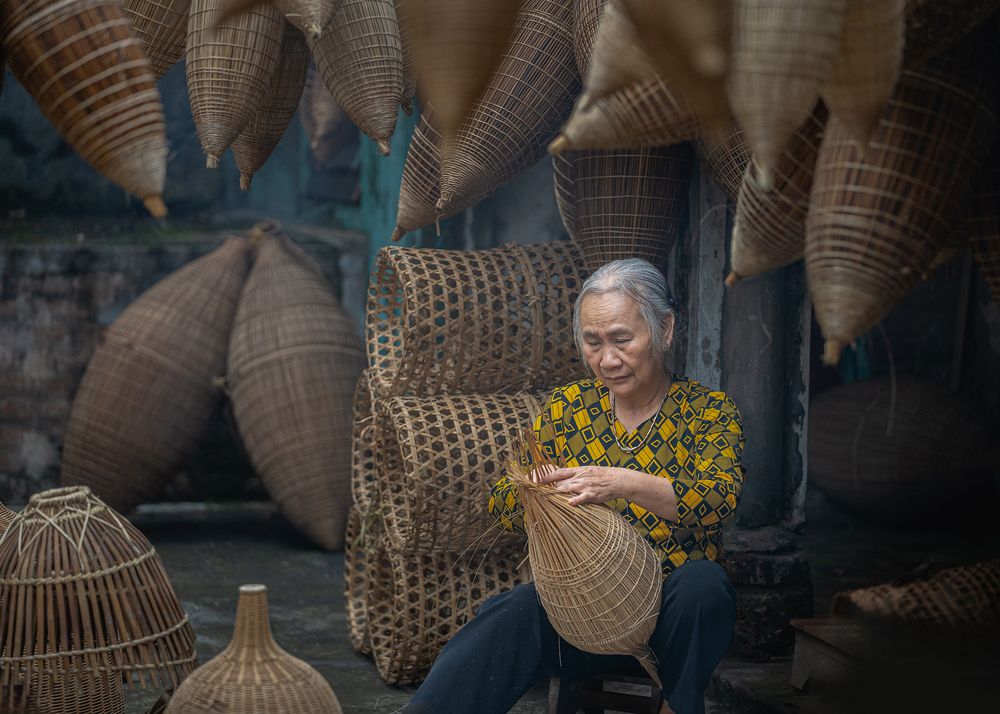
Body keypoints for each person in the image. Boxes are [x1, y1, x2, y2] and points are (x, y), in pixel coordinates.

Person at [405, 258, 744, 714]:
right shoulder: (568, 409)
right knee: (511, 612)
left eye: (622, 339)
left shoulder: (709, 413)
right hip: (581, 621)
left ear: (663, 330)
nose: (607, 360)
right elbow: (501, 504)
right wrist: (534, 493)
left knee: (705, 585)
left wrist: (621, 483)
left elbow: (718, 500)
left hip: (669, 627)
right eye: (593, 342)